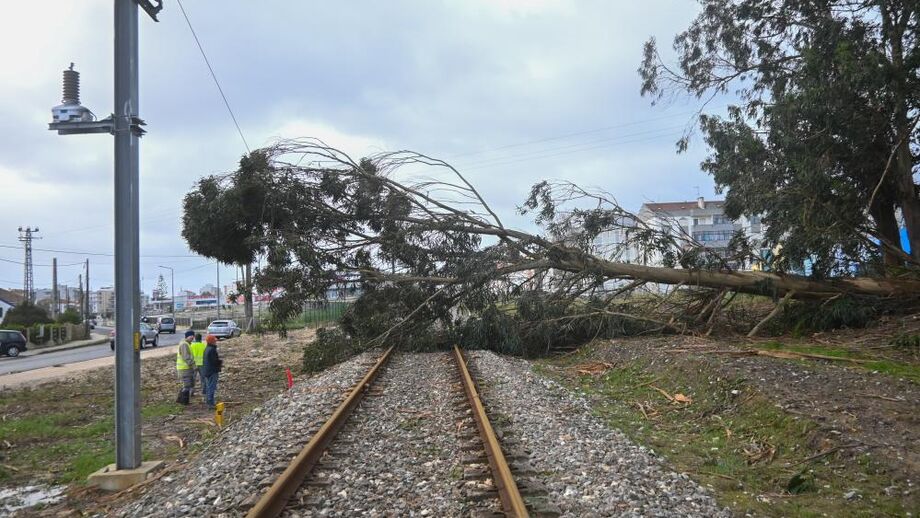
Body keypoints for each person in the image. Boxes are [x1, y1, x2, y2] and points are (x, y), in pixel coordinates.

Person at [201, 334, 222, 410]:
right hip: (212, 371)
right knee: (211, 387)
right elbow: (214, 361)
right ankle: (210, 404)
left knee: (208, 387)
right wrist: (220, 362)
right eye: (214, 340)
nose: (216, 342)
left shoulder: (206, 349)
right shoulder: (212, 350)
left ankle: (209, 402)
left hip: (206, 371)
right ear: (212, 341)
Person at [176, 330, 196, 404]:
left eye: (193, 336)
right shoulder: (184, 344)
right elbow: (186, 357)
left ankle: (179, 400)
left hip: (186, 368)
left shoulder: (187, 344)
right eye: (191, 336)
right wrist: (193, 365)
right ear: (187, 336)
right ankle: (184, 402)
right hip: (184, 369)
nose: (192, 337)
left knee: (186, 385)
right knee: (187, 385)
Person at [189, 333, 207, 400]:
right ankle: (204, 392)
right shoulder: (204, 345)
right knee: (203, 379)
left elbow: (190, 355)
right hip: (202, 364)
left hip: (194, 365)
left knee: (192, 379)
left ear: (195, 338)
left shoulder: (192, 346)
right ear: (201, 338)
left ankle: (191, 391)